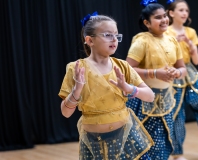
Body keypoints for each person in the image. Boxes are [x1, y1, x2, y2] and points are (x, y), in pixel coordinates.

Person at [58, 11, 155, 160]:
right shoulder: (76, 68)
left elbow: (150, 96)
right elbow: (66, 113)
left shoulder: (122, 66)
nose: (114, 39)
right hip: (94, 142)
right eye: (108, 35)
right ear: (90, 40)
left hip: (127, 136)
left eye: (116, 35)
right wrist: (77, 90)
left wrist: (129, 88)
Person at [125, 0, 187, 159]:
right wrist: (154, 73)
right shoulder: (142, 41)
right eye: (158, 17)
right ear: (147, 22)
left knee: (164, 142)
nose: (164, 20)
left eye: (165, 16)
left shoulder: (172, 40)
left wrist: (176, 72)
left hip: (166, 99)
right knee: (143, 143)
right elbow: (128, 70)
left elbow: (183, 69)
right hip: (143, 101)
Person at [165, 0, 198, 159]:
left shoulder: (190, 32)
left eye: (186, 11)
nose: (184, 13)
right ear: (171, 13)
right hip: (172, 72)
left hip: (189, 71)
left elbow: (196, 61)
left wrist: (188, 42)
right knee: (177, 116)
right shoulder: (165, 32)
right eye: (180, 10)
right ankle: (177, 153)